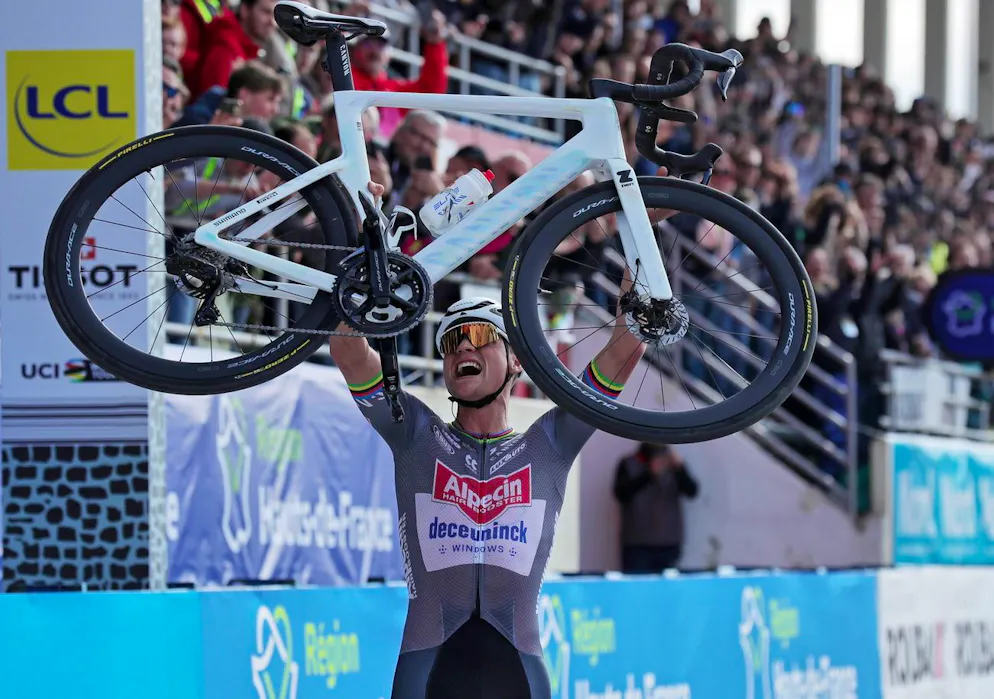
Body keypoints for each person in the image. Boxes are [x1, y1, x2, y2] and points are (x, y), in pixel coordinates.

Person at [328, 182, 650, 699]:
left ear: (516, 362)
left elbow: (624, 348)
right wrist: (362, 244)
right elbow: (348, 347)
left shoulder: (550, 442)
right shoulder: (414, 434)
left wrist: (641, 245)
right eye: (451, 343)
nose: (462, 351)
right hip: (429, 669)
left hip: (517, 668)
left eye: (479, 338)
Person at [612, 442, 698, 573]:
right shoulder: (628, 463)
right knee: (636, 590)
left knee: (667, 592)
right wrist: (648, 474)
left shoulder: (673, 464)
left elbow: (692, 491)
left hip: (669, 544)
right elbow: (621, 494)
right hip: (636, 546)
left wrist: (680, 468)